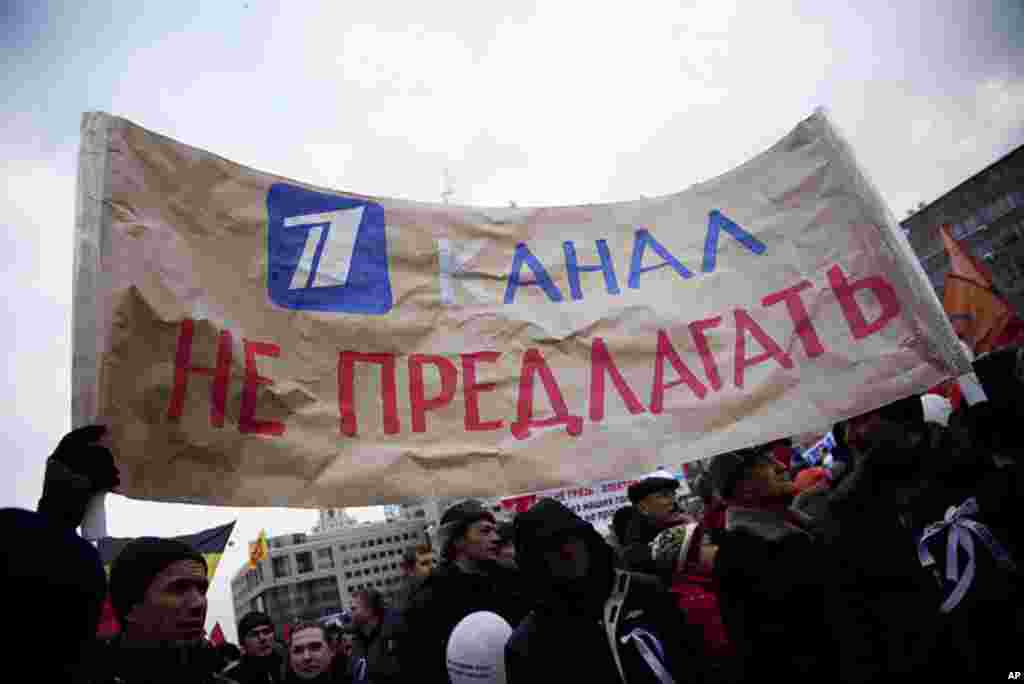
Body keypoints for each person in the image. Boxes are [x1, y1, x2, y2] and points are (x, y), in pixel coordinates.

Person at [506, 498, 707, 683]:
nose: (567, 552)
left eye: (571, 539)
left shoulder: (643, 591)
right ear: (536, 561)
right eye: (551, 547)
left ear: (586, 539)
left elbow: (690, 661)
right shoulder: (529, 643)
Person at [706, 444, 838, 683]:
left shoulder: (800, 527)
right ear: (741, 487)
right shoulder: (742, 555)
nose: (781, 466)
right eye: (766, 463)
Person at [400, 500, 527, 683]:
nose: (495, 537)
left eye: (494, 530)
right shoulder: (431, 597)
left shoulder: (510, 582)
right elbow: (419, 665)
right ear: (458, 540)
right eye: (485, 531)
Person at [621, 471, 693, 573]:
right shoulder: (637, 547)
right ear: (643, 506)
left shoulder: (681, 522)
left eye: (673, 495)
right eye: (664, 495)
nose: (673, 501)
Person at [348, 588, 401, 683]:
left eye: (353, 609)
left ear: (369, 610)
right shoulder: (358, 639)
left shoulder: (396, 631)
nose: (350, 614)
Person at [223, 611, 285, 683]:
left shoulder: (288, 665)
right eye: (254, 634)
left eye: (266, 632)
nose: (262, 638)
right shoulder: (231, 677)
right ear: (243, 643)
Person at [391, 542, 434, 614]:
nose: (430, 567)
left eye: (428, 562)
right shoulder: (405, 589)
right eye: (424, 563)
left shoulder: (435, 578)